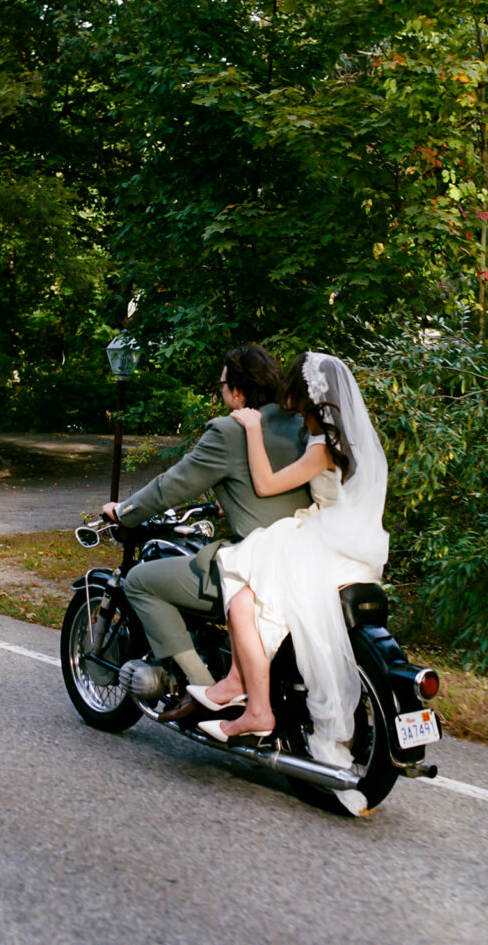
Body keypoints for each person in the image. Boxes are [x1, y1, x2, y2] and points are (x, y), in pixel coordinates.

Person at [189, 351, 389, 816]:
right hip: (348, 547)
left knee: (241, 578)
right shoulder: (343, 443)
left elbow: (264, 485)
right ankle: (238, 684)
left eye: (294, 391)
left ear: (309, 395)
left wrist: (254, 429)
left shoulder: (321, 449)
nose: (288, 399)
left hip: (322, 545)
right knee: (257, 582)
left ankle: (251, 702)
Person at [101, 344, 310, 718]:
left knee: (139, 580)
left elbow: (172, 485)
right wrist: (226, 497)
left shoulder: (230, 430)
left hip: (257, 569)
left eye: (223, 384)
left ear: (239, 391)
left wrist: (124, 512)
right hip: (304, 562)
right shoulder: (298, 423)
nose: (221, 391)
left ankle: (202, 689)